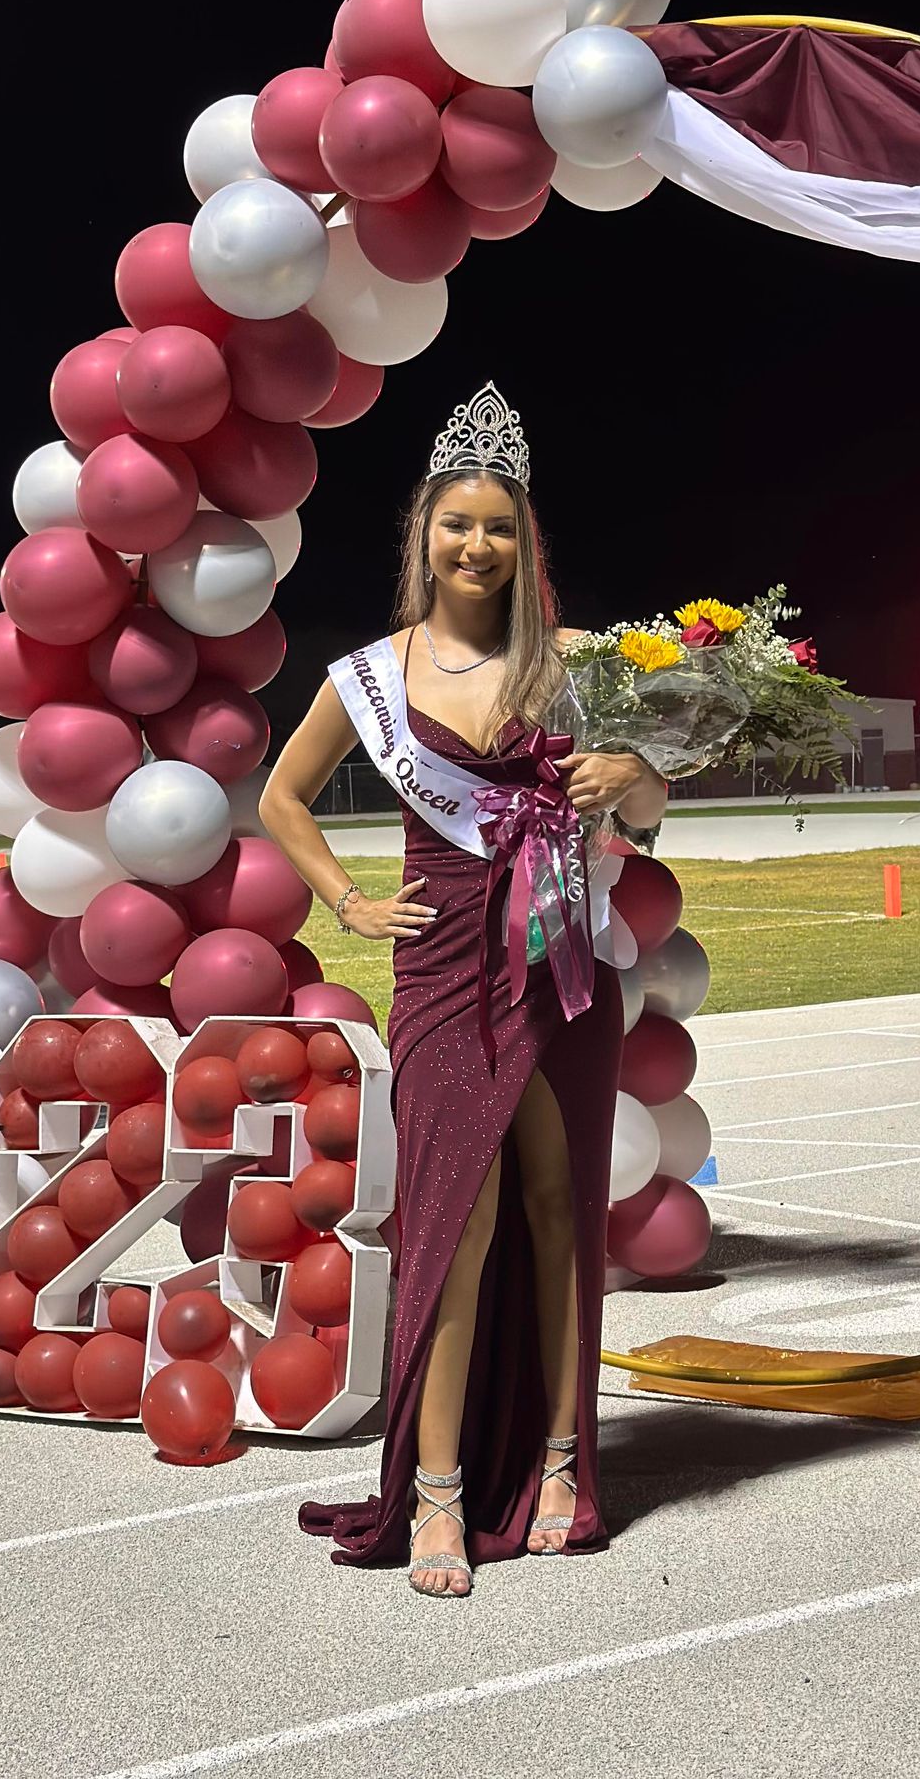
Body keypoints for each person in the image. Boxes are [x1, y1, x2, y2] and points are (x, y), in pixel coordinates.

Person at [260, 384, 667, 1598]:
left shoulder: (563, 668)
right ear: (422, 535)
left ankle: (556, 1462)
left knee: (557, 1211)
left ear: (521, 543)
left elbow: (642, 812)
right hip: (441, 967)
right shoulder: (370, 676)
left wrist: (634, 770)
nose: (475, 545)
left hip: (556, 963)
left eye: (498, 526)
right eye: (457, 524)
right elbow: (282, 798)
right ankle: (434, 1487)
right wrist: (345, 898)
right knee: (455, 1220)